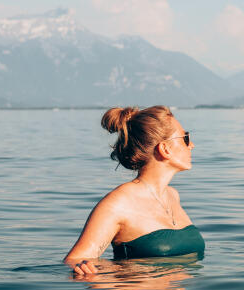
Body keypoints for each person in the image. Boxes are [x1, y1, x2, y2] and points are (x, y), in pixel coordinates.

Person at [65, 106, 204, 276]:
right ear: (165, 149)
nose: (192, 145)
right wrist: (108, 276)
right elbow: (75, 261)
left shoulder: (172, 196)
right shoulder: (119, 203)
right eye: (185, 138)